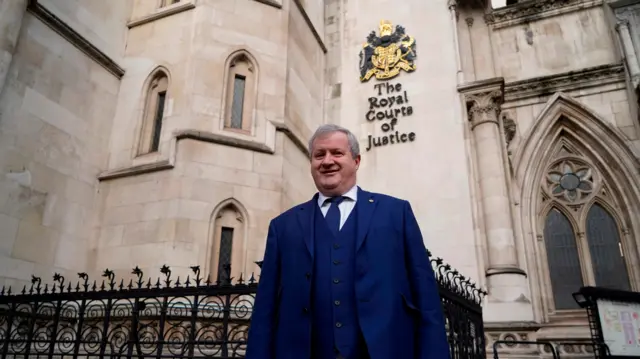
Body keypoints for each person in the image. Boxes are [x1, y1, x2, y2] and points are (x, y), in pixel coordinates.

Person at [245, 124, 450, 359]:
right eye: (319, 155)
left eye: (337, 153)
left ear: (356, 161)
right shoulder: (283, 226)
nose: (327, 160)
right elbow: (265, 311)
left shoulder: (396, 213)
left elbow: (426, 299)